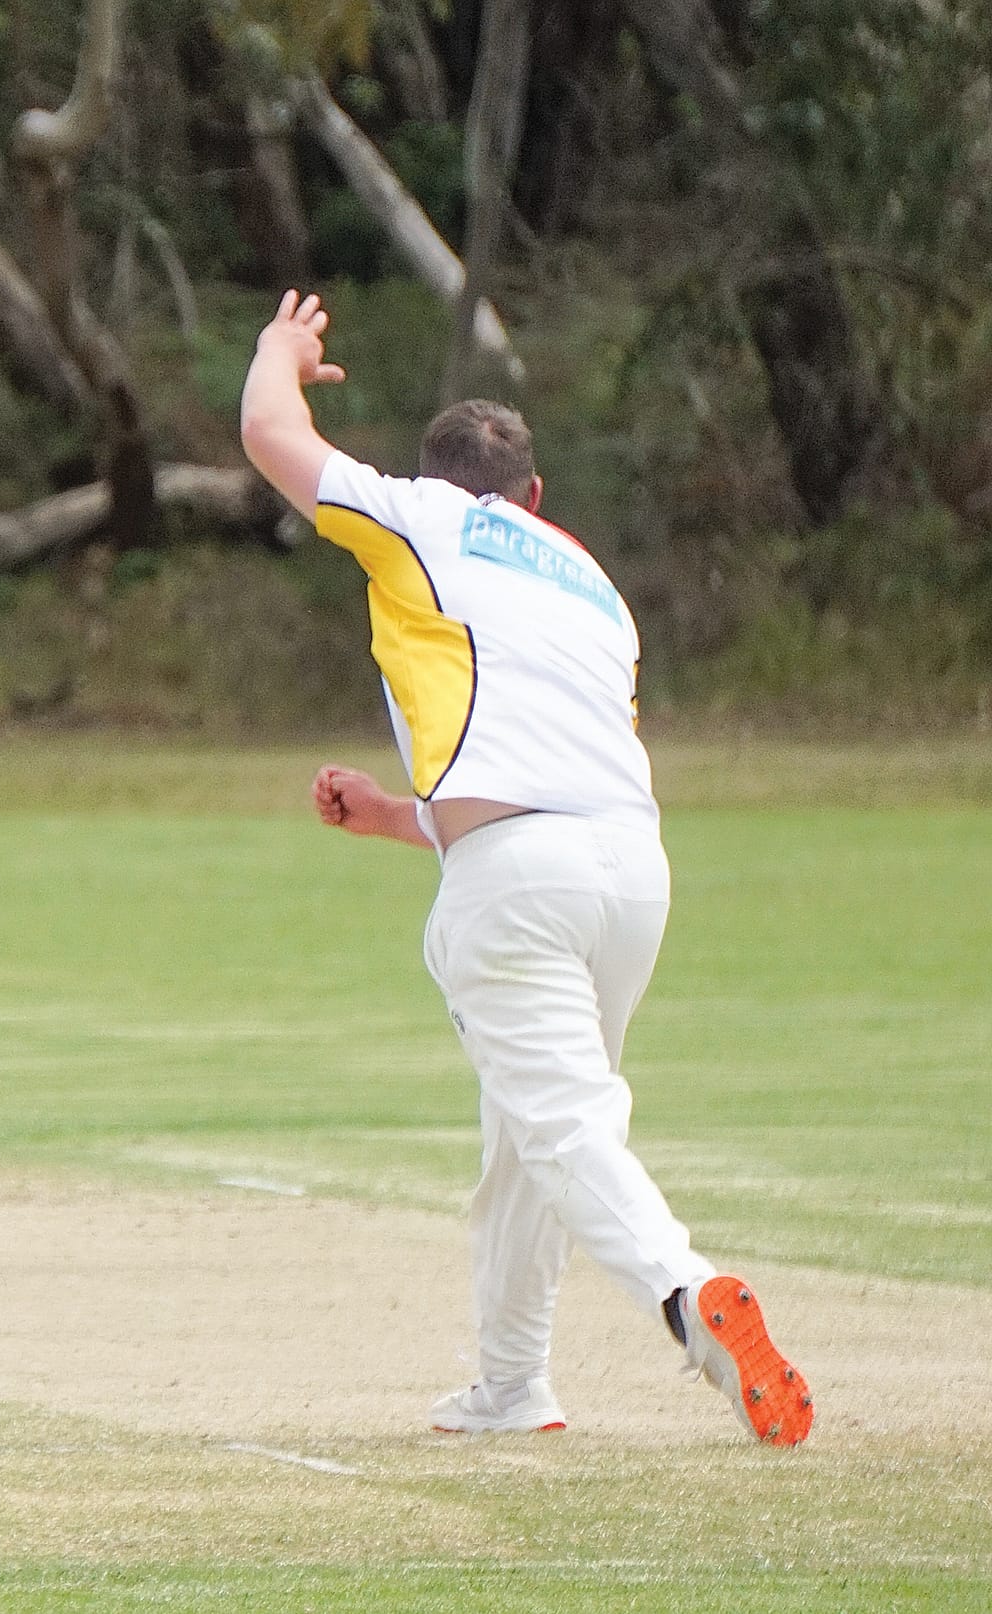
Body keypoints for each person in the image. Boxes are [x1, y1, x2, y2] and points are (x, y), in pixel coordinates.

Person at [239, 291, 813, 1444]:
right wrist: (396, 818)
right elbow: (542, 769)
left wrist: (276, 349)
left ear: (436, 482)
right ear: (534, 495)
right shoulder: (588, 581)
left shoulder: (421, 518)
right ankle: (510, 1385)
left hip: (516, 880)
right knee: (524, 1139)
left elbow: (267, 433)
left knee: (560, 1129)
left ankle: (687, 1297)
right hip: (628, 874)